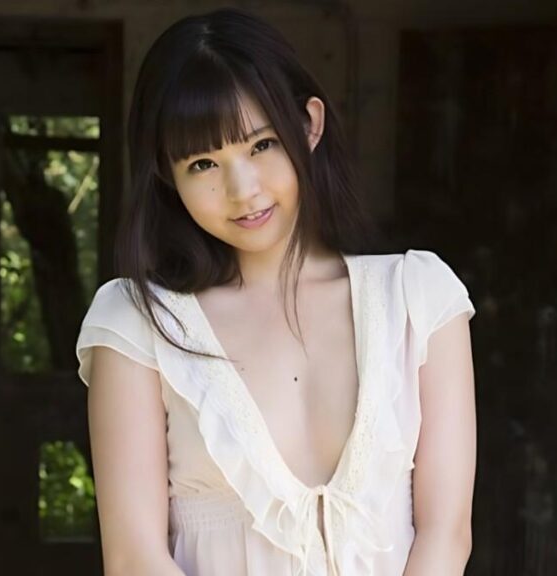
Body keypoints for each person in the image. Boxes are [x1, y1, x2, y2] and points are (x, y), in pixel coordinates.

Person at [75, 8, 476, 576]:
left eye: (261, 145)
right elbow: (135, 557)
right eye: (203, 162)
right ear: (168, 175)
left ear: (308, 125)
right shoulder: (138, 323)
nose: (243, 191)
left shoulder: (418, 298)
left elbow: (446, 533)